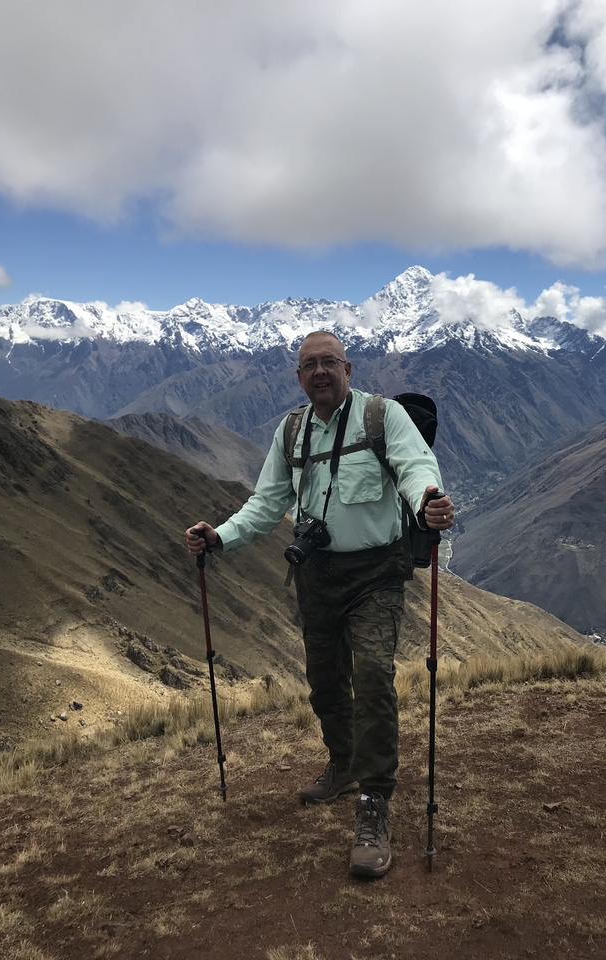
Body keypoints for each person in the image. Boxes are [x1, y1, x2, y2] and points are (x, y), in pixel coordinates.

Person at [185, 331, 454, 878]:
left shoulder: (382, 418)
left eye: (329, 362)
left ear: (348, 369)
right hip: (316, 576)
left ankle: (375, 802)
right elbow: (268, 502)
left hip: (376, 573)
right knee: (325, 680)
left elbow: (414, 468)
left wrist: (428, 500)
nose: (320, 372)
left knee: (375, 674)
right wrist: (221, 537)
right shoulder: (290, 432)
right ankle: (344, 763)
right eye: (309, 365)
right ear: (298, 376)